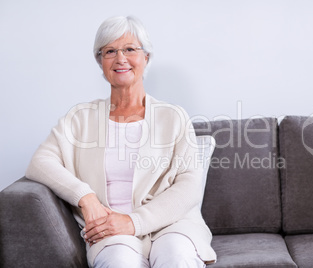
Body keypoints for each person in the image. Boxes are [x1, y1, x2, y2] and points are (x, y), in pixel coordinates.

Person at [26, 15, 216, 268]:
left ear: (146, 57)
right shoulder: (80, 117)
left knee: (176, 257)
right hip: (108, 228)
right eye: (110, 51)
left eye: (129, 49)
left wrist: (134, 222)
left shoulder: (173, 116)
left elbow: (189, 185)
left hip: (172, 225)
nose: (120, 58)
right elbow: (40, 162)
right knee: (119, 262)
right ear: (100, 61)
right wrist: (87, 198)